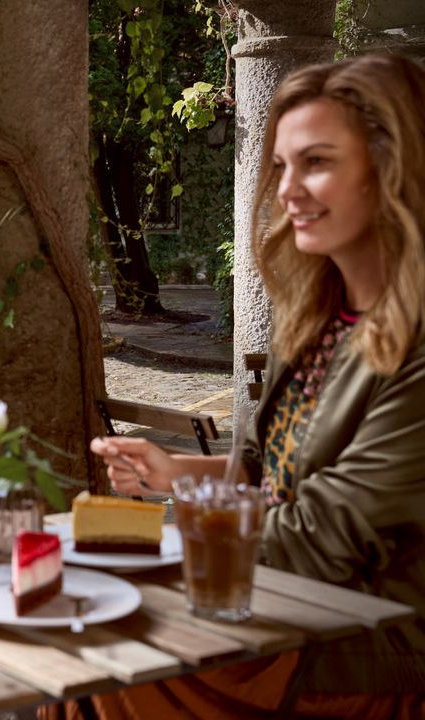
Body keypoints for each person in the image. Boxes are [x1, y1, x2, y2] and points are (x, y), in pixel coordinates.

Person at [85, 53, 425, 718]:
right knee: (76, 658)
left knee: (98, 667)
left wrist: (152, 547)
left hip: (360, 658)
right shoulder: (325, 322)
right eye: (282, 165)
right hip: (279, 619)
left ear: (393, 172)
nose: (288, 189)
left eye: (317, 162)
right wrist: (177, 471)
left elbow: (315, 540)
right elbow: (275, 476)